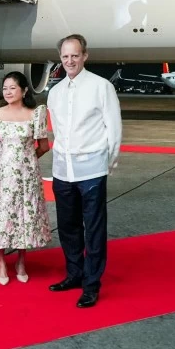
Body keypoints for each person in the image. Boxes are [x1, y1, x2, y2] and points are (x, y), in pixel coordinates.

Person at [45, 34, 122, 308]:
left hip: (91, 170)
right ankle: (74, 274)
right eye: (65, 56)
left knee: (94, 229)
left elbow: (114, 129)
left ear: (85, 56)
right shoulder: (54, 93)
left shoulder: (101, 87)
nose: (70, 61)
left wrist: (107, 163)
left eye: (75, 55)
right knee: (68, 227)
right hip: (62, 171)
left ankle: (91, 284)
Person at [0, 71, 51, 285]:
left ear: (24, 90)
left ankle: (21, 260)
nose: (8, 92)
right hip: (1, 174)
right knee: (2, 214)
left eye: (13, 88)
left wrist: (27, 158)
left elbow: (44, 146)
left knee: (24, 215)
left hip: (27, 175)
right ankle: (1, 261)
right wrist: (5, 159)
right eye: (5, 88)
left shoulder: (35, 114)